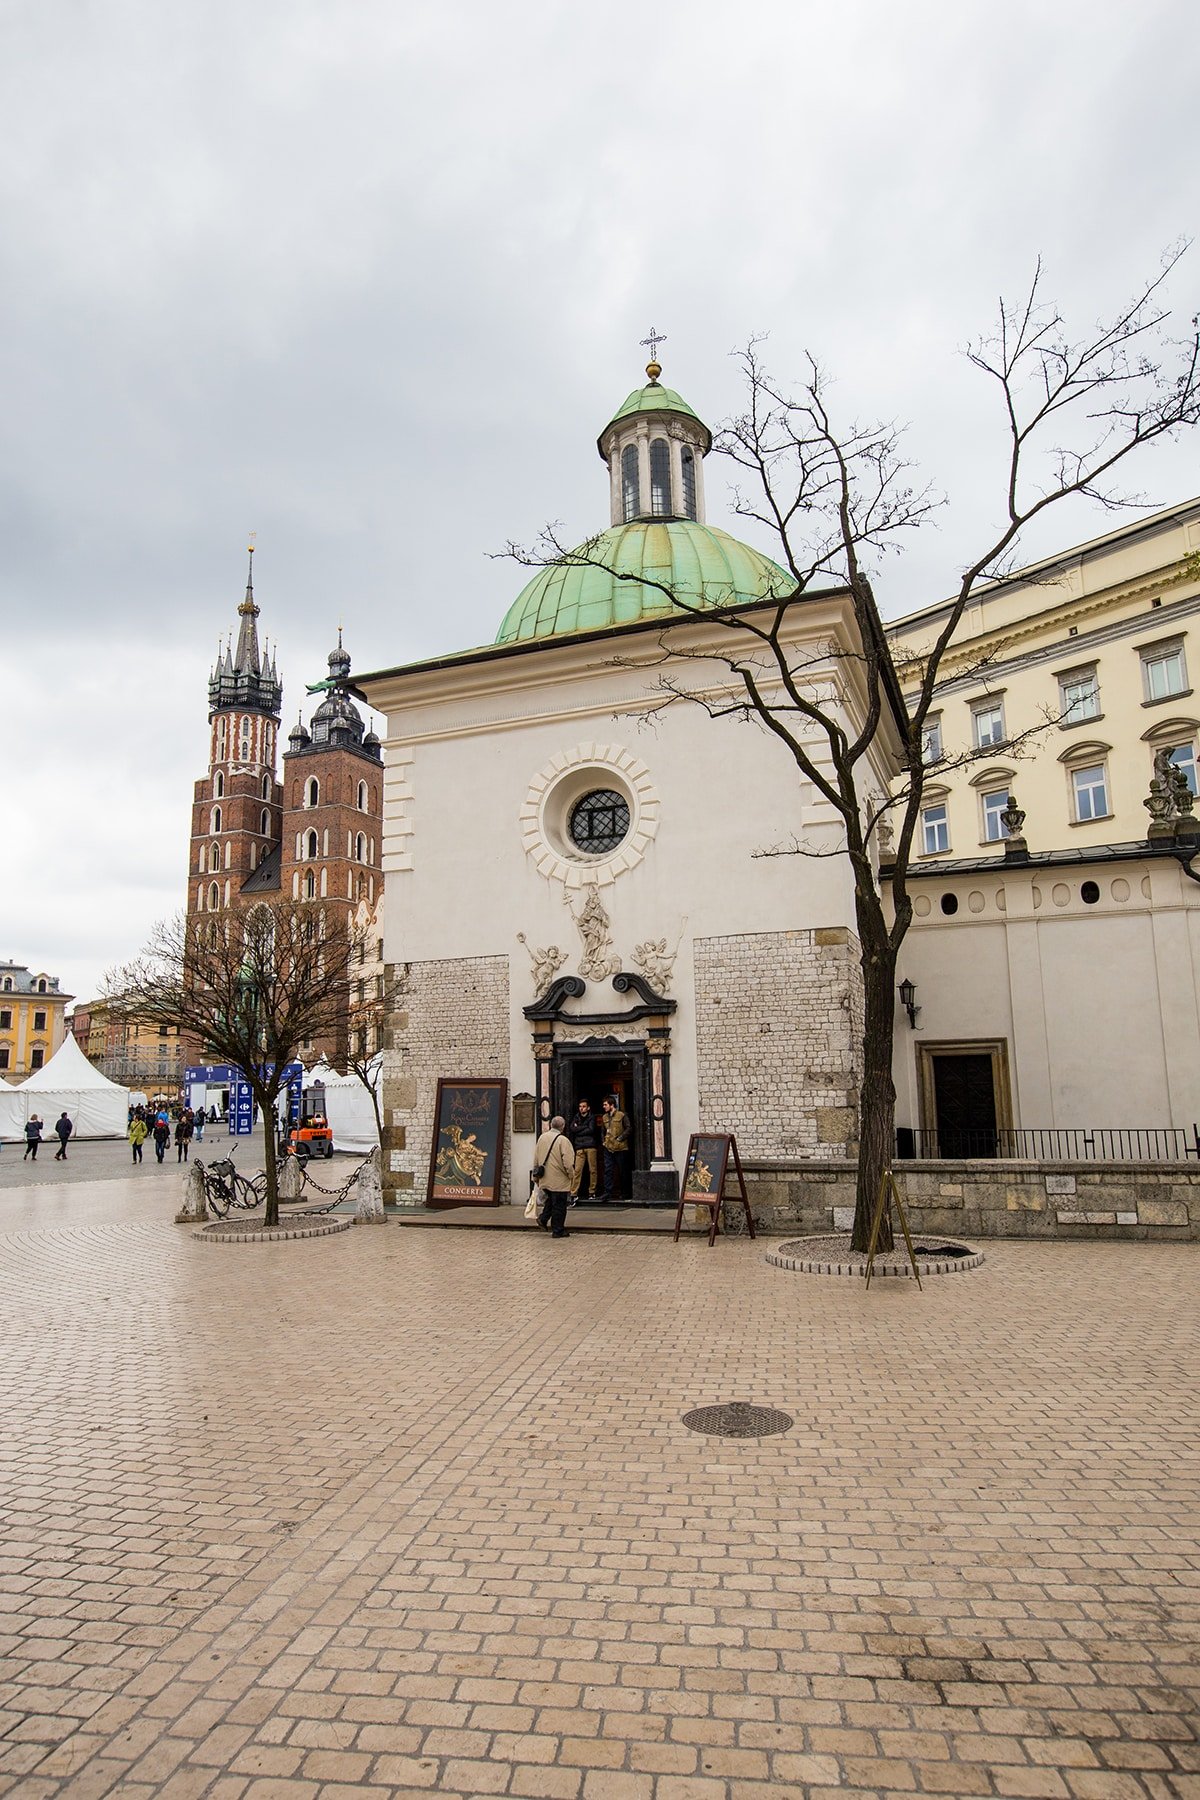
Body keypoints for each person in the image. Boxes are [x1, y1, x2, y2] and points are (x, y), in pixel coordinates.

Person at [531, 1114, 575, 1238]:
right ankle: (558, 1230)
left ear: (551, 1125)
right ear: (563, 1127)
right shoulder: (563, 1140)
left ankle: (543, 1219)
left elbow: (536, 1157)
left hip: (545, 1177)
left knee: (551, 1201)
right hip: (559, 1179)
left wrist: (535, 1177)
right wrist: (571, 1175)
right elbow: (568, 1162)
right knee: (559, 1205)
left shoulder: (542, 1138)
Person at [567, 1097, 599, 1202]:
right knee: (577, 1170)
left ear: (588, 1108)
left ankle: (592, 1191)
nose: (582, 1108)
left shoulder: (592, 1117)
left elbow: (591, 1130)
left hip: (590, 1146)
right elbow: (572, 1129)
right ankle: (574, 1192)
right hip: (579, 1147)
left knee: (592, 1170)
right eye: (580, 1107)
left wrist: (579, 1128)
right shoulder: (576, 1117)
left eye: (584, 1106)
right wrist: (583, 1127)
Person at [600, 1096, 630, 1202]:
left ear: (612, 1105)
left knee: (622, 1171)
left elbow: (628, 1128)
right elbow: (602, 1130)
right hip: (608, 1147)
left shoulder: (622, 1115)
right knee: (608, 1170)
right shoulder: (604, 1117)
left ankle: (625, 1192)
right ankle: (607, 1192)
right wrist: (603, 1141)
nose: (604, 1107)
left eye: (605, 1105)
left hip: (621, 1148)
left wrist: (621, 1138)